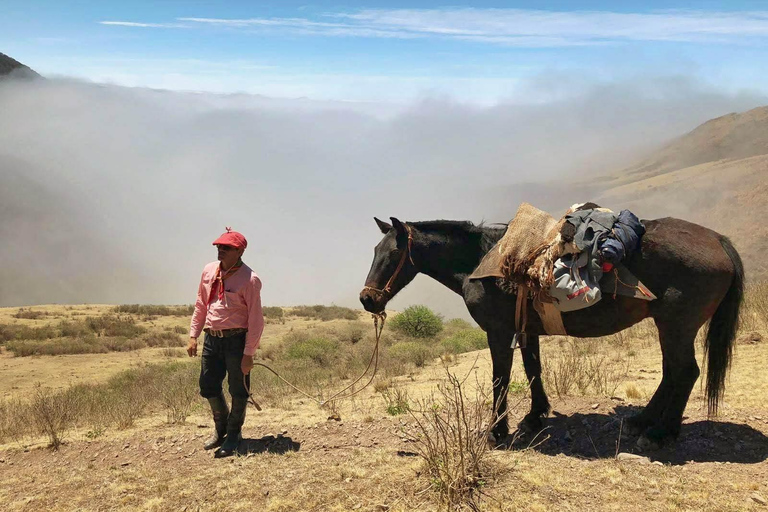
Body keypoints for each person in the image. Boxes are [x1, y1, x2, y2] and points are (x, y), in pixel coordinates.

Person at [188, 228, 264, 457]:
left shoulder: (250, 279)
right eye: (219, 247)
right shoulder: (209, 271)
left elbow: (256, 319)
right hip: (212, 338)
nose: (220, 250)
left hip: (236, 341)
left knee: (239, 389)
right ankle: (220, 429)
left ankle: (233, 434)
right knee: (208, 385)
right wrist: (193, 335)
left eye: (226, 247)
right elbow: (201, 303)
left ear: (239, 251)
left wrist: (248, 353)